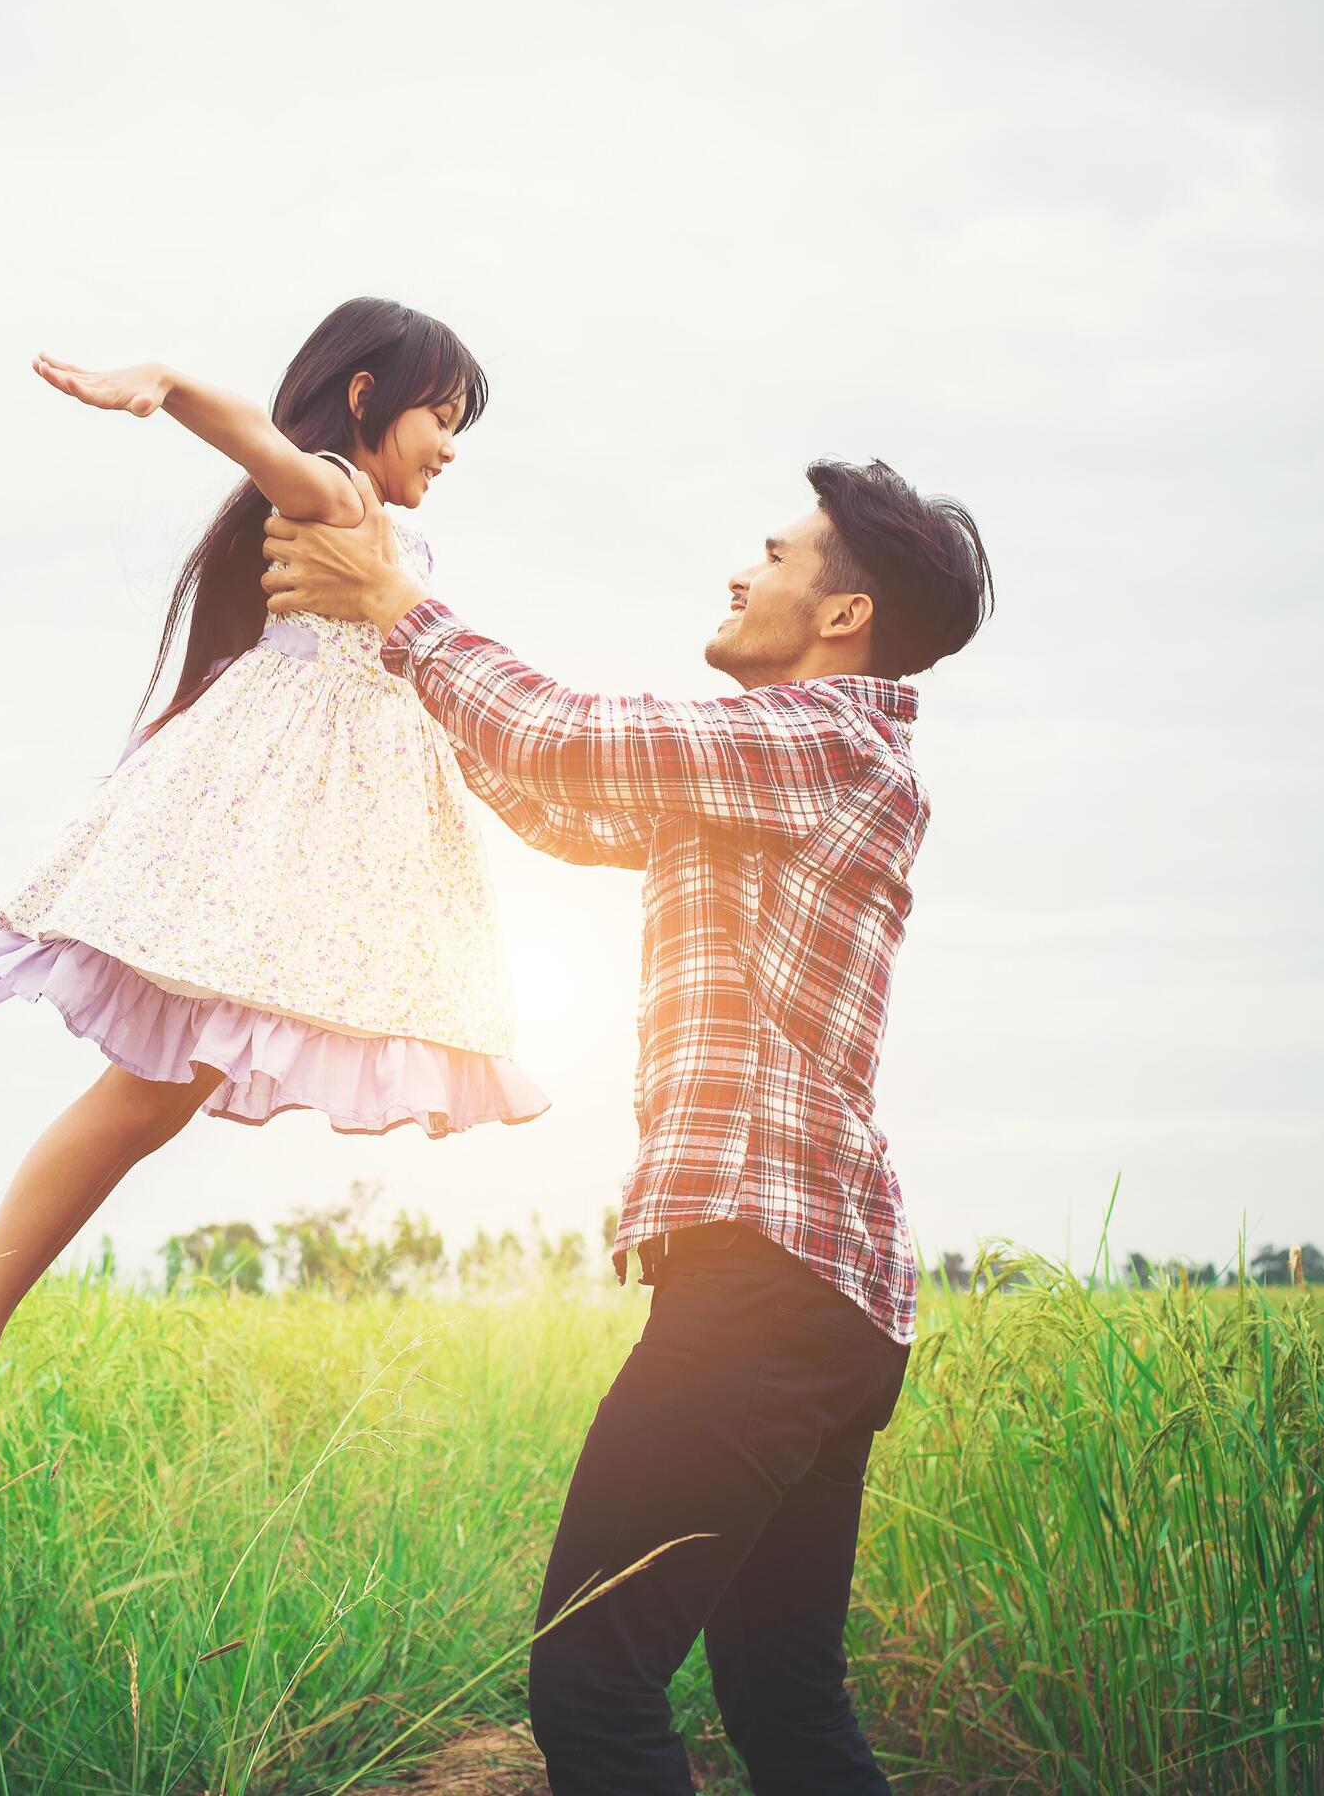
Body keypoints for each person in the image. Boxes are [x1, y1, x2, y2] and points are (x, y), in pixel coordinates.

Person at [260, 459, 992, 1795]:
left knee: (591, 1685)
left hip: (768, 1282)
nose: (738, 572)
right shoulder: (774, 768)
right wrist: (381, 646)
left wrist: (399, 600)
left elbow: (564, 737)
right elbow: (554, 798)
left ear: (842, 614)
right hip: (819, 1287)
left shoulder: (823, 739)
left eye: (772, 554)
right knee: (784, 1704)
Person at [0, 298, 548, 1488]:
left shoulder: (377, 534)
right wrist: (171, 385)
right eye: (439, 417)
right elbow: (264, 441)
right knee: (150, 1096)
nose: (450, 446)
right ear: (364, 398)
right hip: (258, 833)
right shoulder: (339, 495)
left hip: (291, 852)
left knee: (153, 1098)